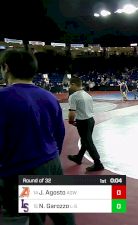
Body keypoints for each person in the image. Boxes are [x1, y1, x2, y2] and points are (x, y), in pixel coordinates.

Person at [0, 49, 75, 225]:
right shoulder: (48, 97)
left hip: (18, 168)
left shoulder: (3, 98)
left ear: (6, 67)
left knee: (20, 217)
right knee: (62, 214)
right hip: (51, 162)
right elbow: (59, 133)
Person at [67, 76, 104, 172]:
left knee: (88, 142)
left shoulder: (73, 96)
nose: (69, 87)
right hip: (91, 120)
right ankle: (79, 157)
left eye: (69, 85)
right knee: (85, 140)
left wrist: (71, 121)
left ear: (73, 84)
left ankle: (98, 163)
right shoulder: (87, 95)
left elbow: (72, 112)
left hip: (83, 122)